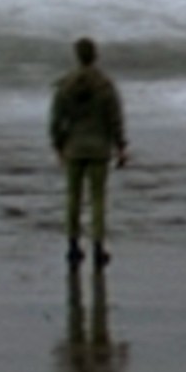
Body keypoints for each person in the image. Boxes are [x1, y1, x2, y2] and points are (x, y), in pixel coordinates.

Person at [48, 37, 129, 265]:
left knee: (73, 198)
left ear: (77, 56)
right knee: (98, 200)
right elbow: (115, 119)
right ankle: (98, 247)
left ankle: (73, 246)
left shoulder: (66, 85)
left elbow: (56, 119)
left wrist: (58, 145)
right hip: (99, 149)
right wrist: (121, 147)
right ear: (95, 55)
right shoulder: (105, 85)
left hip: (74, 147)